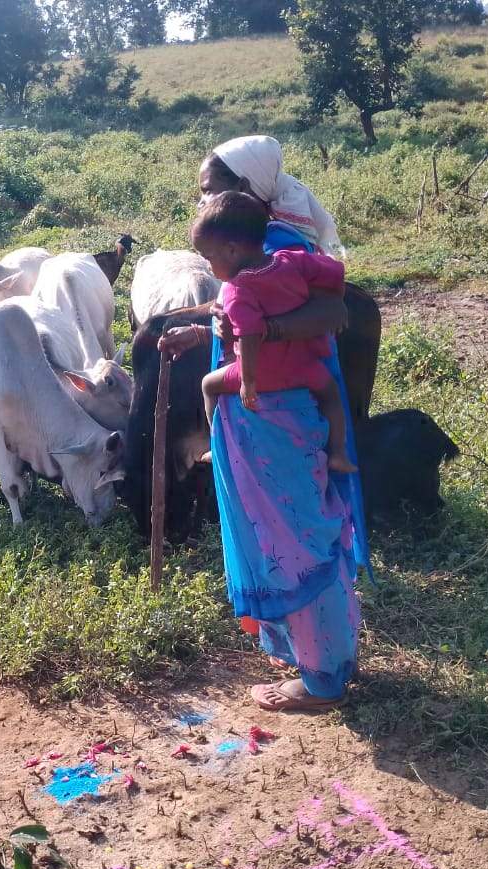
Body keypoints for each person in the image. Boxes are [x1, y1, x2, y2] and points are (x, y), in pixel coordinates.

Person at [159, 134, 367, 713]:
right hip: (262, 413)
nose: (202, 199)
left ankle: (323, 678)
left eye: (209, 189)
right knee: (285, 534)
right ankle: (309, 652)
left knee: (297, 539)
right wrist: (205, 332)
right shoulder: (255, 252)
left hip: (274, 413)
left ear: (243, 192)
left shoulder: (276, 245)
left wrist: (261, 337)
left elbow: (330, 312)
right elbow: (236, 319)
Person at [193, 191, 356, 474]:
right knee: (330, 392)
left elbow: (250, 333)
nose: (209, 265)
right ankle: (339, 453)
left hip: (264, 372)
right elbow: (334, 269)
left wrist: (249, 382)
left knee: (208, 384)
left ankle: (216, 444)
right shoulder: (289, 260)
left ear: (232, 251)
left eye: (209, 257)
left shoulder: (237, 289)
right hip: (304, 366)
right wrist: (336, 300)